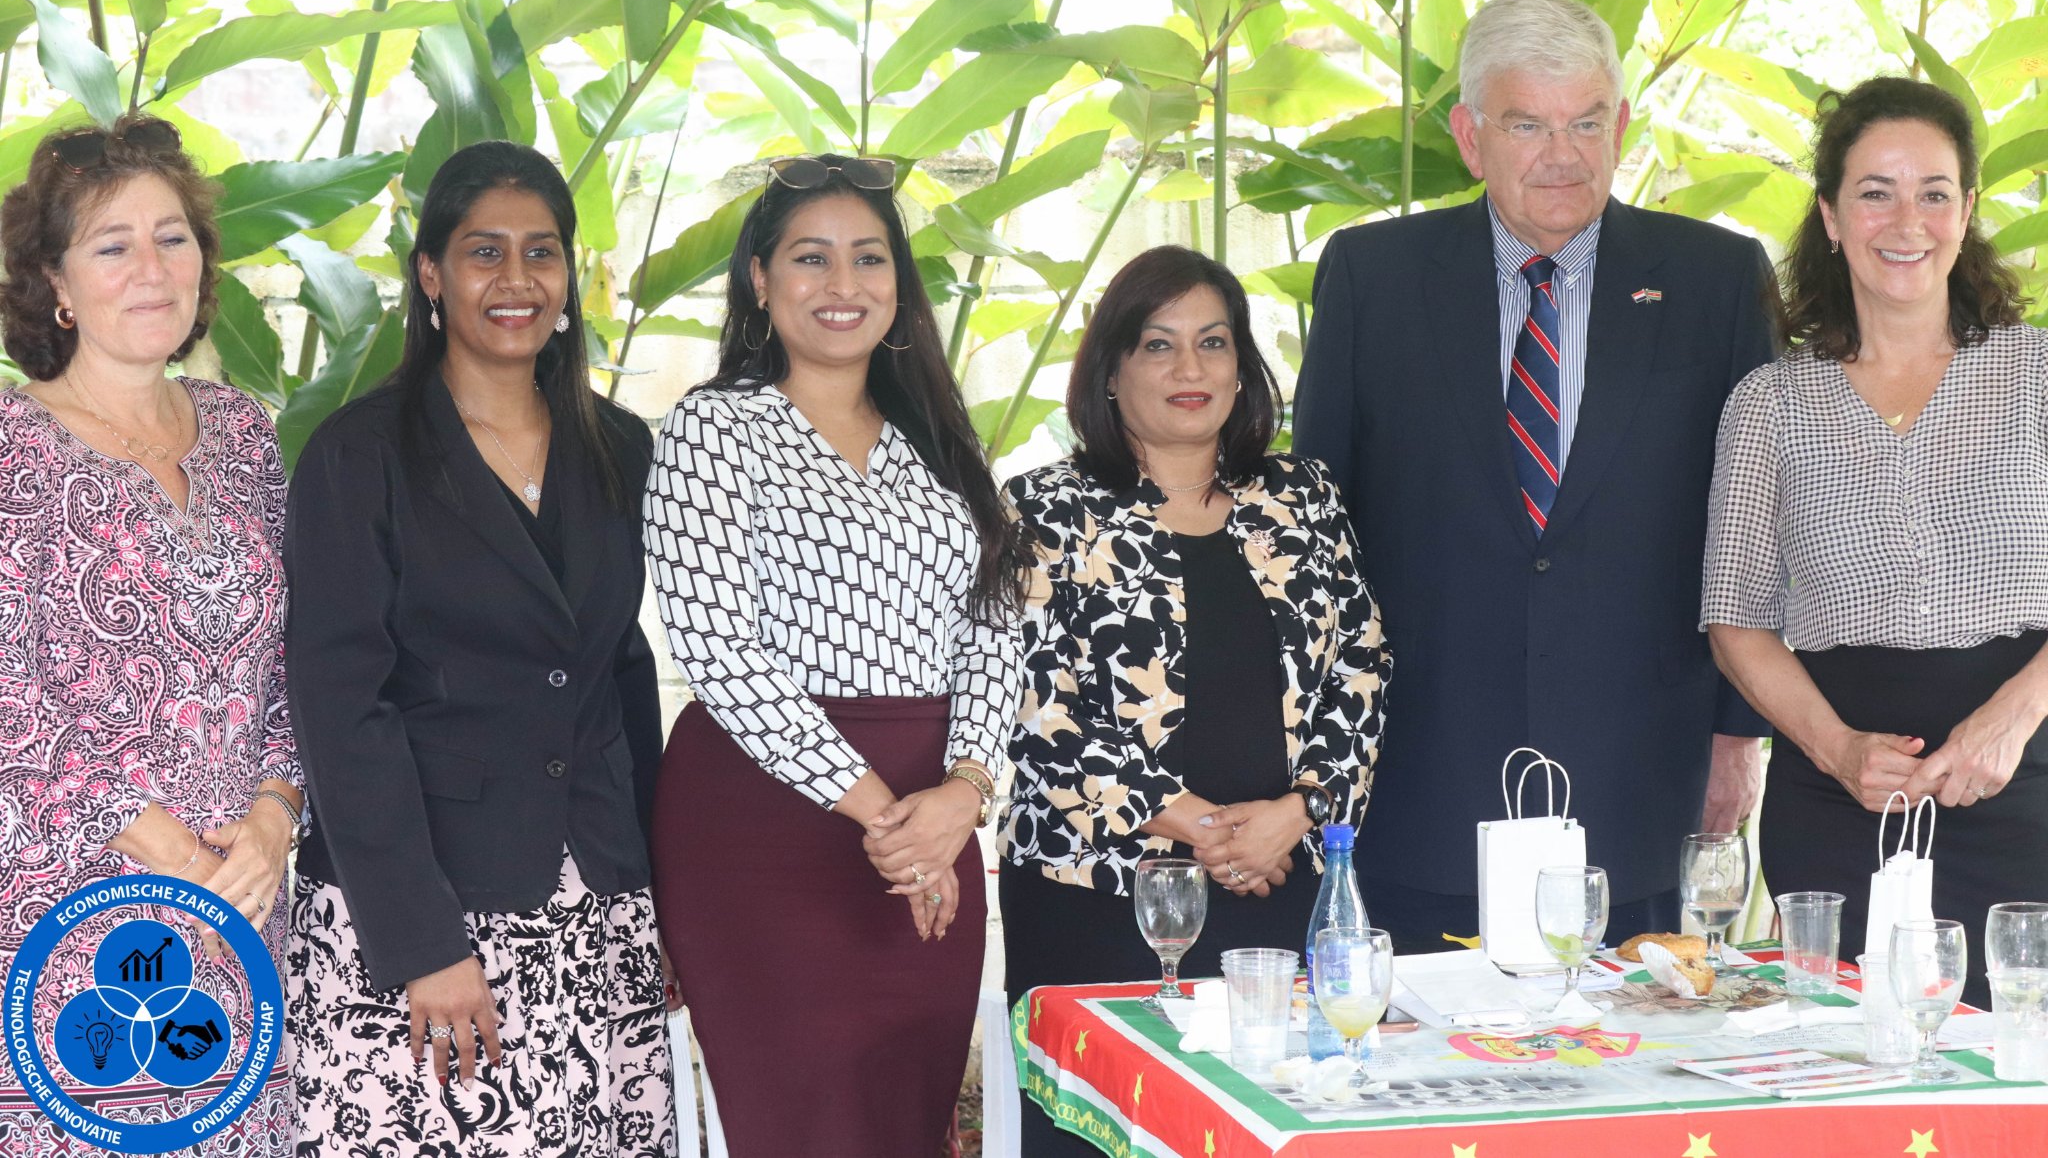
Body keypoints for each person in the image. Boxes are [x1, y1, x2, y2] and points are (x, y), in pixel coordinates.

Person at [1292, 0, 1779, 953]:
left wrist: (1737, 734)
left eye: (1586, 122)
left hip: (1642, 776)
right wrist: (1317, 753)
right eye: (1528, 125)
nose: (1562, 154)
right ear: (1472, 138)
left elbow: (1755, 530)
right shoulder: (1371, 277)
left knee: (1625, 1074)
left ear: (1621, 127)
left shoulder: (1718, 280)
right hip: (1419, 773)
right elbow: (1320, 529)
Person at [284, 142, 674, 1155]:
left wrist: (660, 897)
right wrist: (422, 944)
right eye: (482, 252)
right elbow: (340, 707)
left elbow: (621, 673)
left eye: (541, 253)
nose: (516, 281)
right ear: (430, 274)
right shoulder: (357, 456)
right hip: (421, 916)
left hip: (597, 911)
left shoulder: (620, 448)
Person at [643, 154, 1025, 1158]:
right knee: (796, 1124)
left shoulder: (940, 442)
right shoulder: (710, 430)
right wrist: (883, 817)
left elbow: (992, 629)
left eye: (867, 259)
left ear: (898, 285)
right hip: (765, 827)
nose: (841, 284)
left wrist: (959, 798)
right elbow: (721, 651)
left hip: (934, 815)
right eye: (810, 259)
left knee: (905, 1116)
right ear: (760, 280)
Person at [1003, 245, 1390, 1156]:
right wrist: (1206, 830)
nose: (1190, 368)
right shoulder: (1042, 510)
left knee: (1284, 1126)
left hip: (1282, 886)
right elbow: (1035, 705)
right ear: (1108, 373)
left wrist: (1295, 815)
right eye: (1157, 344)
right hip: (1101, 900)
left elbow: (1363, 671)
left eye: (1213, 342)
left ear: (1242, 367)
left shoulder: (1305, 498)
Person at [1704, 77, 2048, 1007]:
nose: (1908, 220)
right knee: (1844, 1070)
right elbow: (1735, 619)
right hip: (1839, 804)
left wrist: (2011, 719)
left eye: (1935, 191)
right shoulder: (1771, 404)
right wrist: (1837, 749)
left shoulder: (2039, 377)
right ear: (1829, 215)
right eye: (1875, 191)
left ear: (1968, 211)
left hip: (2026, 793)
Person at [0, 115, 300, 1153]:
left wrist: (271, 817)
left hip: (240, 912)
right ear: (56, 284)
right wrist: (156, 839)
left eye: (173, 236)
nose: (152, 267)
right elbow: (10, 701)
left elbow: (297, 661)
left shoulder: (246, 434)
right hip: (64, 922)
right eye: (112, 243)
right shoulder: (10, 449)